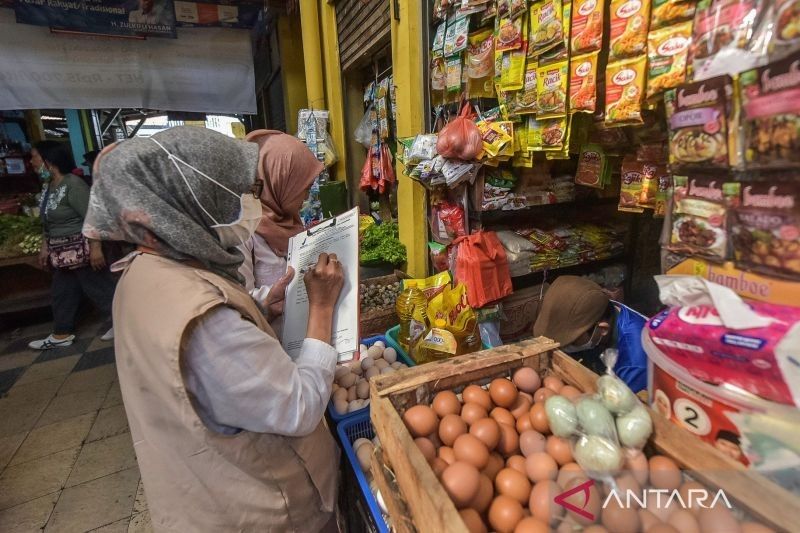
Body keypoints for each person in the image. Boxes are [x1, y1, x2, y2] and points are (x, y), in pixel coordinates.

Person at [83, 126, 342, 532]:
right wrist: (322, 309)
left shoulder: (143, 272)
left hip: (198, 488)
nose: (251, 205)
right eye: (242, 193)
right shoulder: (205, 320)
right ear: (197, 203)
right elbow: (299, 407)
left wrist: (255, 305)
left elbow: (209, 368)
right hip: (259, 510)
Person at [28, 141, 115, 350]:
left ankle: (125, 323)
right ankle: (61, 333)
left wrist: (95, 248)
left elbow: (92, 216)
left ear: (49, 162)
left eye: (34, 157)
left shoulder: (73, 184)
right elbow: (48, 222)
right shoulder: (49, 187)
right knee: (62, 292)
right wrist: (45, 246)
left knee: (101, 289)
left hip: (80, 249)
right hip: (61, 252)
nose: (31, 162)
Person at [237, 129, 323, 293]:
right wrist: (270, 302)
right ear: (277, 181)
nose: (305, 197)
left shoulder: (288, 219)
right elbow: (240, 301)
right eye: (303, 188)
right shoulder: (241, 231)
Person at [532, 275, 648, 391]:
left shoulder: (635, 362)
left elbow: (623, 403)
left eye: (572, 341)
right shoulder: (598, 307)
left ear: (602, 330)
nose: (565, 346)